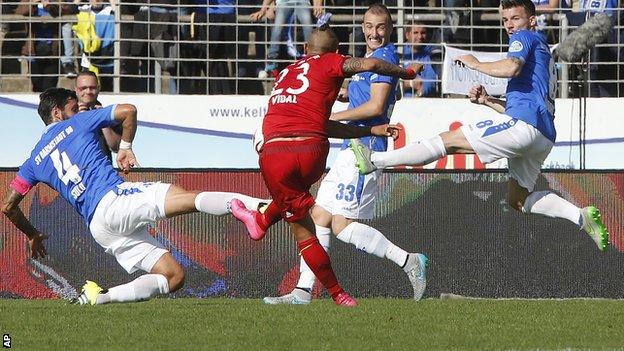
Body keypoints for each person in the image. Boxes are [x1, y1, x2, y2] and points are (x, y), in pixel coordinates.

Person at [350, 0, 610, 253]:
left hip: (525, 126)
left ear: (532, 21)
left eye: (515, 18)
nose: (510, 25)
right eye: (505, 19)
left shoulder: (526, 38)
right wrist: (488, 101)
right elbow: (524, 102)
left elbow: (511, 67)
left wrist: (475, 64)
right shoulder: (542, 51)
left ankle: (375, 160)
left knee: (447, 141)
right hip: (541, 134)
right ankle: (580, 216)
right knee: (518, 200)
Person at [1, 88, 269, 305]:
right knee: (188, 197)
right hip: (115, 200)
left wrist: (32, 234)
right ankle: (256, 207)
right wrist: (125, 148)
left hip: (99, 227)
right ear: (57, 113)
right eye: (73, 108)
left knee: (173, 276)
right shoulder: (78, 123)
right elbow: (128, 111)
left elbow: (8, 207)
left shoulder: (34, 160)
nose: (78, 111)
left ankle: (101, 297)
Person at [229, 25, 417, 307]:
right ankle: (262, 221)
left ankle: (336, 293)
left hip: (276, 152)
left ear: (305, 49)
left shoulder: (284, 74)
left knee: (307, 233)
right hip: (313, 151)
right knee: (309, 207)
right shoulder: (333, 63)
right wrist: (406, 74)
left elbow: (373, 64)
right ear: (337, 51)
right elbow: (371, 64)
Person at [250, 0, 324, 74]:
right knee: (278, 27)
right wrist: (263, 10)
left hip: (302, 2)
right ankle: (271, 61)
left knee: (307, 26)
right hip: (283, 2)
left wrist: (318, 5)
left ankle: (312, 58)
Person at [75, 70, 121, 162]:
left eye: (92, 88)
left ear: (98, 89)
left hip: (101, 172)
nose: (88, 91)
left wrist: (101, 120)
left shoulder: (109, 115)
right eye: (83, 88)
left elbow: (116, 147)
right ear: (76, 90)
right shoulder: (65, 114)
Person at [402, 21, 441, 98]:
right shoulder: (398, 53)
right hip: (399, 103)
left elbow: (430, 83)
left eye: (423, 33)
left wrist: (417, 95)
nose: (420, 37)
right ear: (407, 35)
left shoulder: (429, 55)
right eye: (415, 33)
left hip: (422, 103)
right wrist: (410, 83)